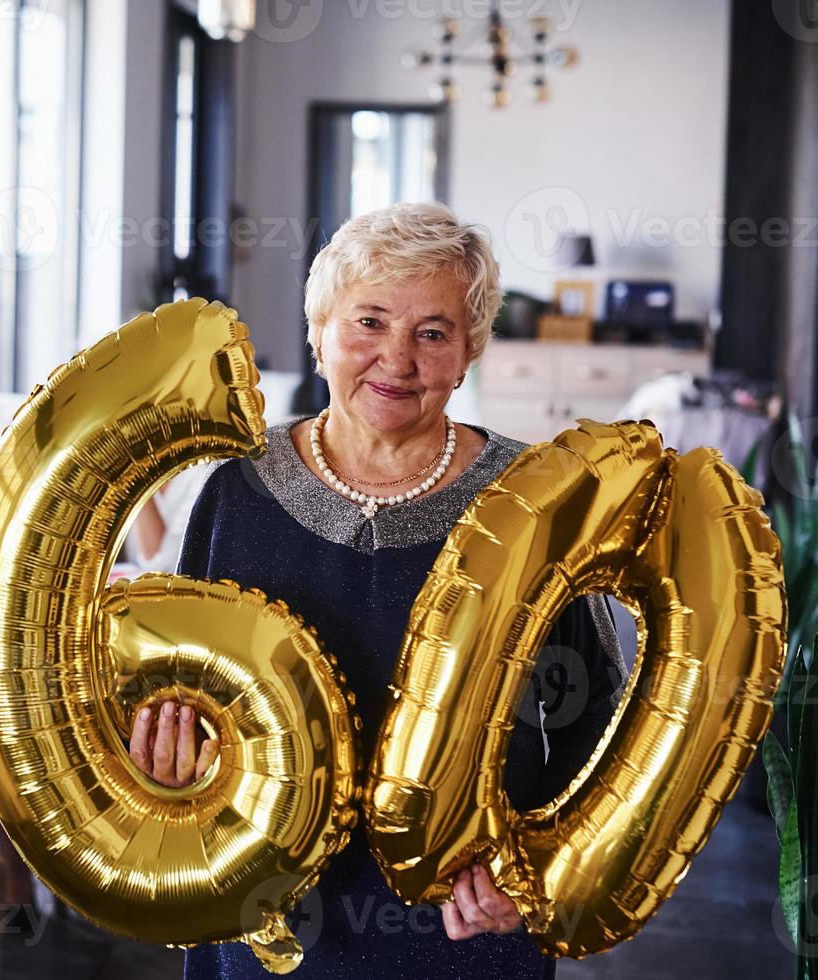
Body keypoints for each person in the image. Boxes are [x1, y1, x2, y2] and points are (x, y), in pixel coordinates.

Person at [128, 203, 627, 979]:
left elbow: (600, 717)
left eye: (433, 332)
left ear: (468, 355)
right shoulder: (239, 490)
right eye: (368, 321)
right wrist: (163, 750)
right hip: (267, 928)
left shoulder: (537, 503)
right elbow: (177, 687)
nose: (397, 359)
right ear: (319, 329)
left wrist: (537, 866)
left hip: (464, 931)